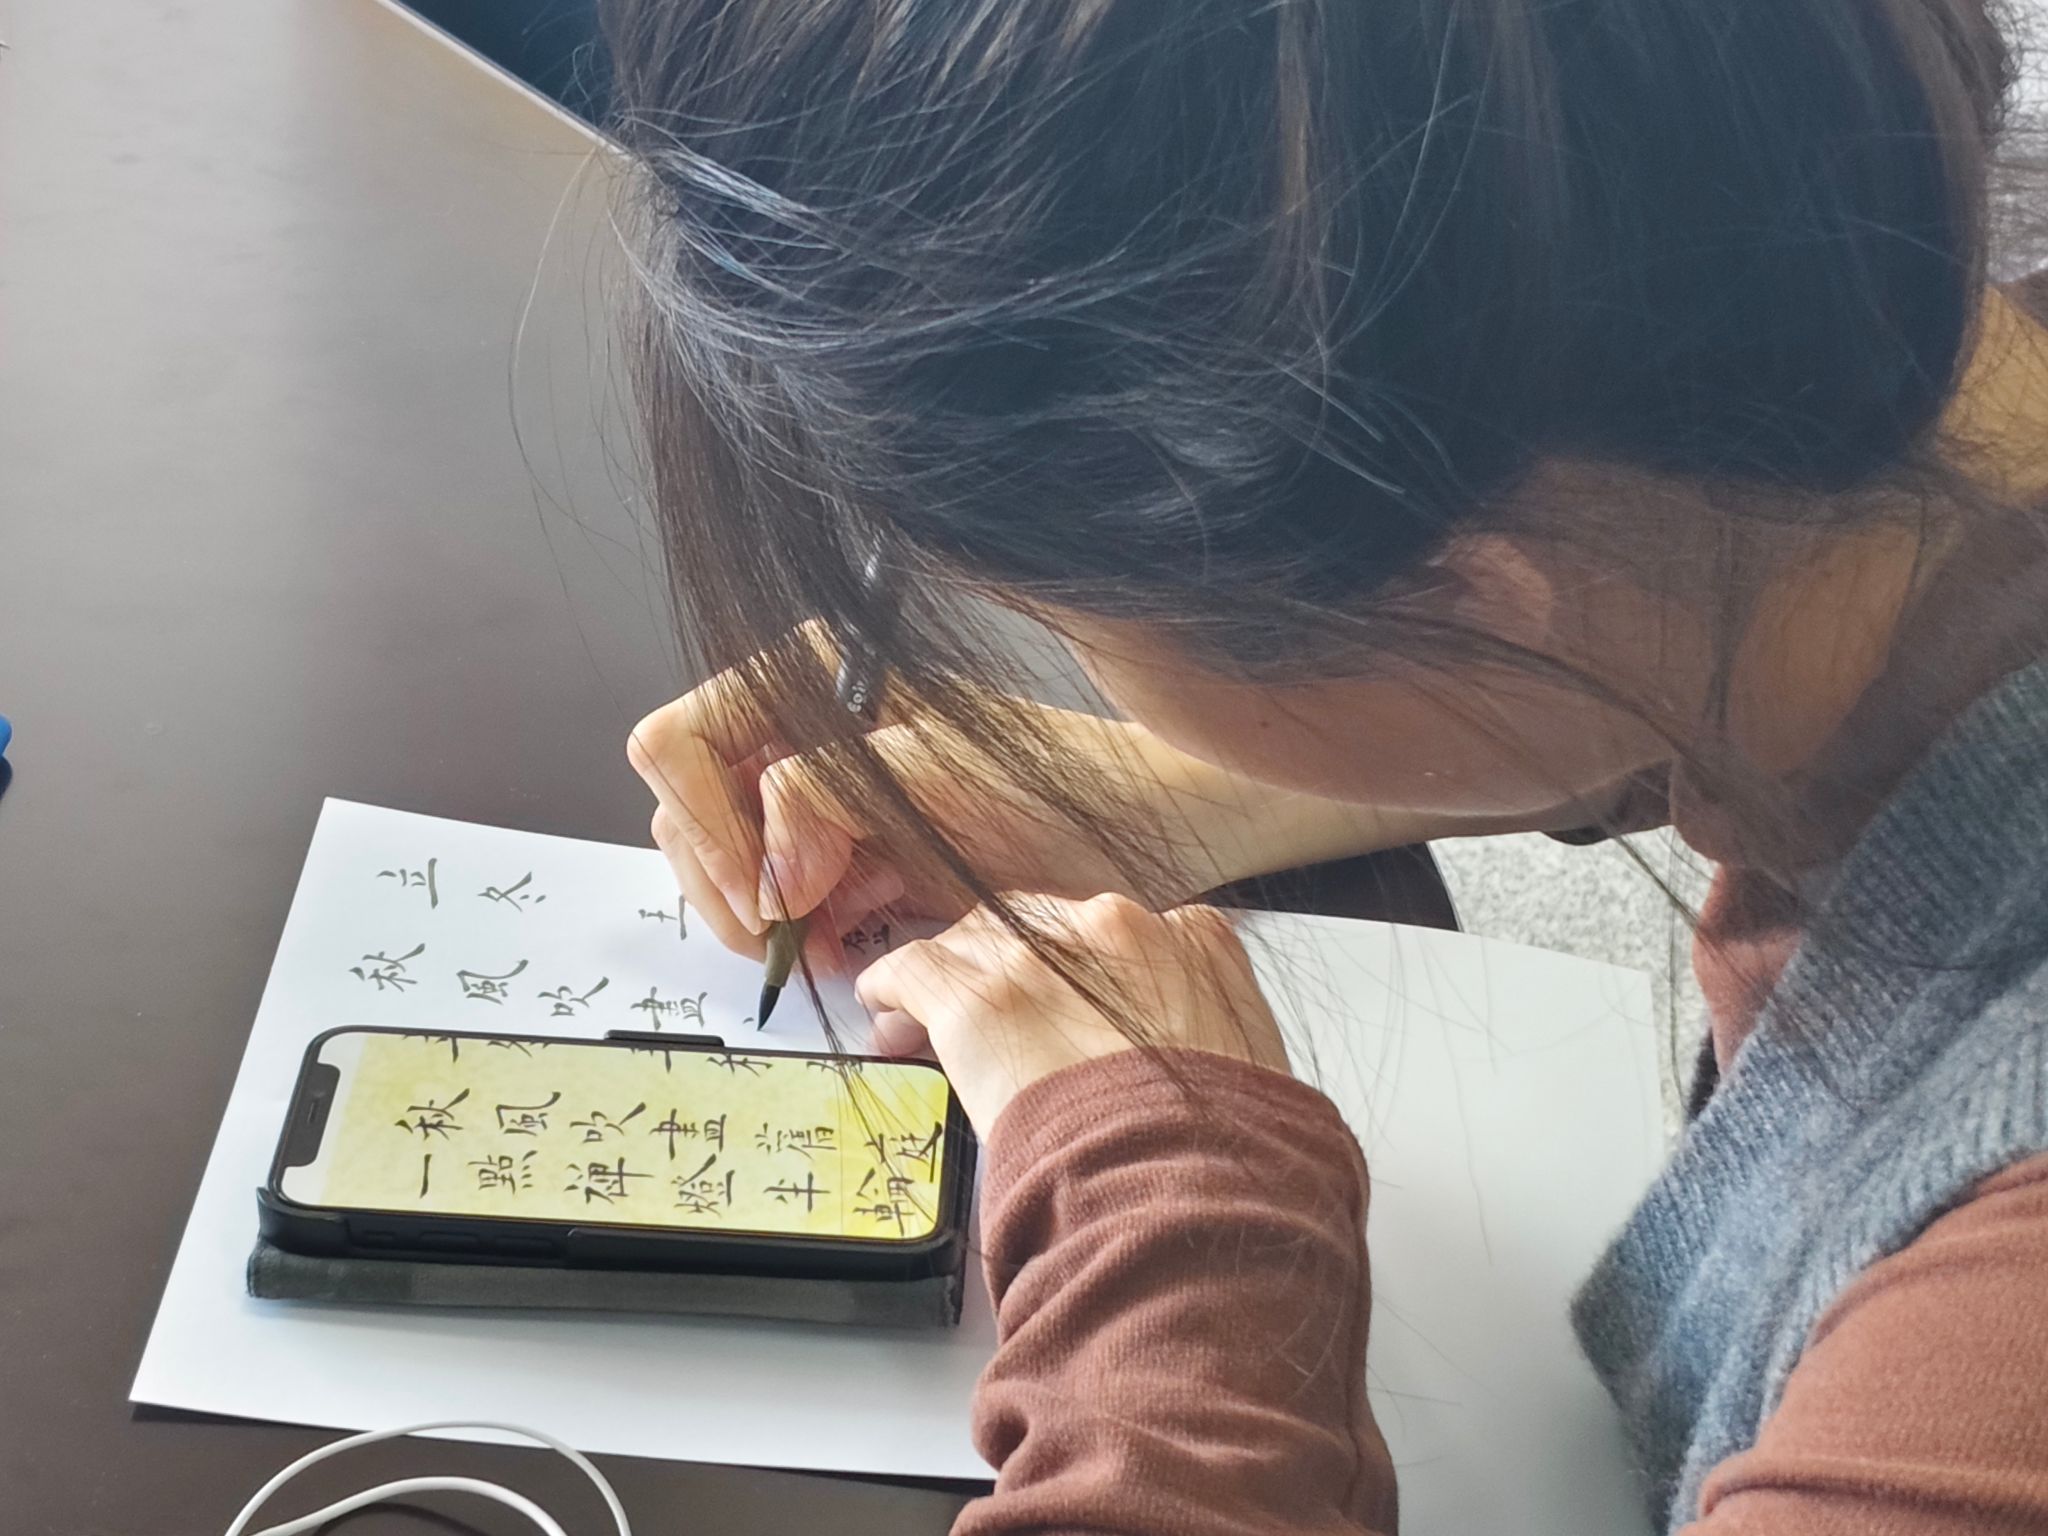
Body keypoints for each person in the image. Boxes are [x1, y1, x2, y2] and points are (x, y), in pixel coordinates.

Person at [604, 2, 2048, 1530]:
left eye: (1068, 628)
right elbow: (1679, 601)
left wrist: (1177, 1217)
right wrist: (1164, 795)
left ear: (1459, 602)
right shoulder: (1914, 377)